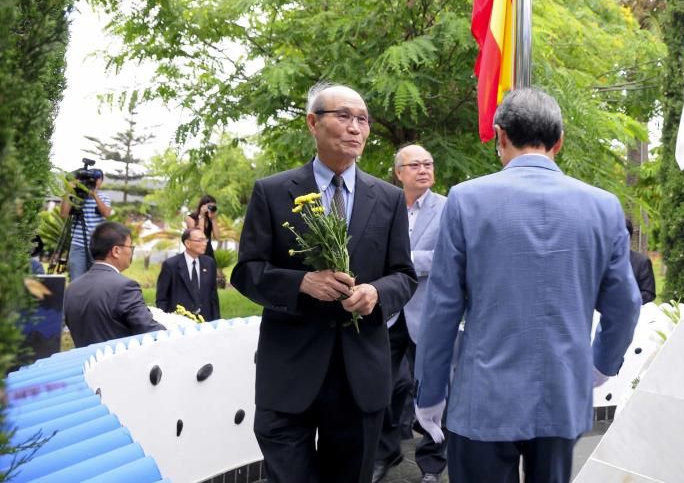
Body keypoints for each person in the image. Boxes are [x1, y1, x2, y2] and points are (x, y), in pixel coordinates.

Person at [415, 88, 641, 483]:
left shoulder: (466, 200)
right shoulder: (603, 206)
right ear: (560, 142)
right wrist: (601, 364)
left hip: (483, 397)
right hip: (562, 393)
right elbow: (625, 304)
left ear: (500, 136)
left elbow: (442, 308)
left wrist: (430, 392)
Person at [231, 82, 417, 483]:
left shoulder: (387, 199)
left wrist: (376, 293)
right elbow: (246, 272)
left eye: (363, 120)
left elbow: (404, 276)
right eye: (344, 116)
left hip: (359, 376)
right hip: (289, 373)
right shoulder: (273, 191)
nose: (356, 128)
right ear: (313, 123)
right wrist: (301, 284)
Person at [374, 144, 447, 483]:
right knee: (381, 388)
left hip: (428, 314)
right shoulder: (384, 207)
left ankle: (432, 465)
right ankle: (384, 453)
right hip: (387, 312)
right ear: (399, 172)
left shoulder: (448, 209)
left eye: (428, 164)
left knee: (432, 389)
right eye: (415, 164)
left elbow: (449, 256)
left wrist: (404, 264)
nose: (423, 170)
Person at [64, 221, 165, 347]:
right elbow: (149, 330)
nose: (132, 252)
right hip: (118, 363)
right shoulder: (125, 287)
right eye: (130, 247)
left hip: (84, 363)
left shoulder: (72, 288)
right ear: (116, 251)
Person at [155, 228, 221, 321]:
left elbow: (213, 296)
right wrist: (166, 321)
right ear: (187, 243)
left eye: (205, 240)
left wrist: (216, 320)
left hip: (206, 321)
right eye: (200, 240)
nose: (205, 243)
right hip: (180, 322)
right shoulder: (171, 265)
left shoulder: (209, 263)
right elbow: (162, 299)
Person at [60, 169, 111, 281]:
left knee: (97, 281)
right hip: (78, 245)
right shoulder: (75, 196)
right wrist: (69, 191)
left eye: (97, 179)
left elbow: (106, 213)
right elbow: (63, 214)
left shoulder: (104, 196)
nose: (94, 182)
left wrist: (94, 195)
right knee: (76, 280)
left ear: (101, 181)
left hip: (97, 245)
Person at [625, 218, 656, 304]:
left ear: (629, 238)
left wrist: (627, 300)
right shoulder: (603, 261)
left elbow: (648, 293)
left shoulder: (642, 262)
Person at [185, 194, 219, 259]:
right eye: (209, 206)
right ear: (202, 206)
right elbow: (199, 236)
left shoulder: (210, 218)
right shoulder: (190, 218)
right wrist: (201, 216)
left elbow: (217, 237)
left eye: (213, 207)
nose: (211, 208)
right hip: (195, 251)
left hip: (208, 251)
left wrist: (213, 219)